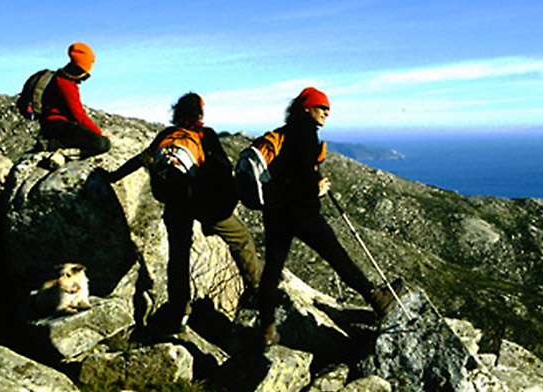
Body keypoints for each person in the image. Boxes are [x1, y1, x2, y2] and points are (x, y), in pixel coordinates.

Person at [108, 92, 263, 335]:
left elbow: (139, 161)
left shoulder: (167, 135)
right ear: (200, 113)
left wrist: (111, 177)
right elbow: (222, 169)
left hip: (175, 202)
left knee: (178, 256)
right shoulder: (205, 134)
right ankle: (257, 289)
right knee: (241, 238)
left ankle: (180, 309)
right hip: (204, 203)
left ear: (177, 112)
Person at [257, 87, 398, 347]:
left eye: (328, 110)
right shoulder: (306, 132)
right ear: (307, 108)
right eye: (322, 108)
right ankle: (377, 298)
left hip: (276, 212)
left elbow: (289, 173)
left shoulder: (285, 132)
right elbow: (300, 178)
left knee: (272, 268)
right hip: (301, 213)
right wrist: (317, 188)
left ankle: (266, 326)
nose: (326, 113)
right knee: (337, 256)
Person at [39, 42, 111, 158]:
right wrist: (99, 133)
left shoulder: (60, 77)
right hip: (56, 125)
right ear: (80, 68)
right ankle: (53, 145)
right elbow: (78, 115)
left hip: (53, 124)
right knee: (102, 144)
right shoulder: (66, 84)